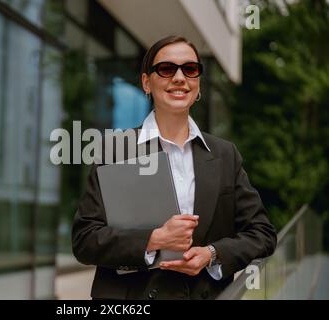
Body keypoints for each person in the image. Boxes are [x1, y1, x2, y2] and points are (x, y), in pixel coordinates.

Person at [72, 35, 277, 300]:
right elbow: (85, 240)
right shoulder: (116, 150)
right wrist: (154, 239)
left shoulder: (225, 155)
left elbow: (262, 234)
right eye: (167, 69)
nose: (179, 78)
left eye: (190, 69)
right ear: (147, 82)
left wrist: (211, 254)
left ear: (198, 83)